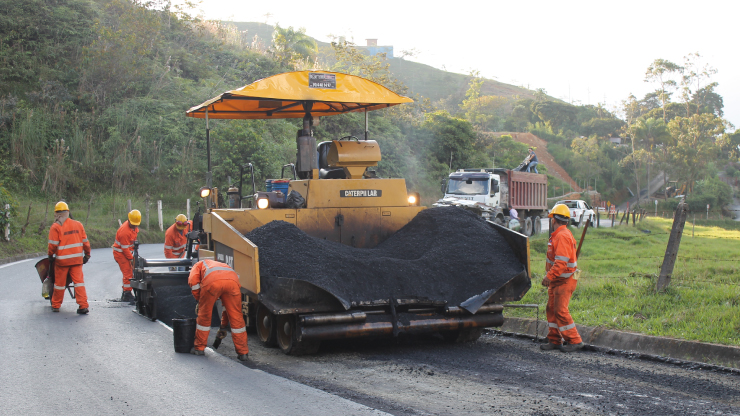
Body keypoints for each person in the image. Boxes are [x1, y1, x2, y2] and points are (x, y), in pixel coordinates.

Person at [540, 204, 583, 352]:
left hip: (564, 280)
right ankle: (554, 340)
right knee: (551, 309)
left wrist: (548, 276)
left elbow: (561, 263)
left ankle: (575, 340)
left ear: (553, 220)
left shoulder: (562, 236)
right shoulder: (559, 235)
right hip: (558, 281)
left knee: (560, 310)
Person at [188, 259, 249, 361]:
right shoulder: (222, 265)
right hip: (233, 283)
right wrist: (223, 326)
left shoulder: (198, 265)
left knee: (204, 316)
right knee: (236, 317)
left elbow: (193, 283)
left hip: (212, 282)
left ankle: (199, 348)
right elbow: (227, 309)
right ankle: (243, 353)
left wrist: (199, 300)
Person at [47, 201, 91, 313]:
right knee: (79, 283)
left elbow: (52, 245)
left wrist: (50, 255)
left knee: (60, 284)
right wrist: (87, 255)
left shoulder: (56, 226)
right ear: (68, 212)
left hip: (62, 262)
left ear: (56, 213)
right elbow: (85, 242)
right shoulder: (78, 225)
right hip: (77, 260)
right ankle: (83, 306)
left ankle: (56, 305)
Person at [113, 210, 140, 302]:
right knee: (128, 273)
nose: (135, 226)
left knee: (130, 272)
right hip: (120, 254)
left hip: (127, 252)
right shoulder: (124, 231)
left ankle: (126, 292)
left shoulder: (134, 227)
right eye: (133, 224)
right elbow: (124, 249)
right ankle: (127, 294)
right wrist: (131, 259)